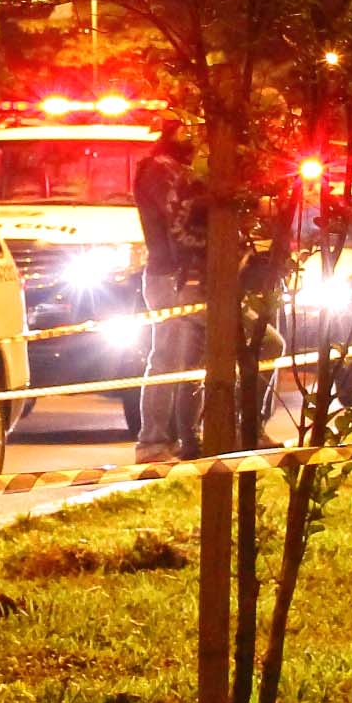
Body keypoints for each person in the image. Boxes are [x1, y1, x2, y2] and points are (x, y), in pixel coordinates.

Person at [132, 115, 207, 464]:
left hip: (181, 275)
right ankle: (153, 442)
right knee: (167, 358)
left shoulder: (174, 168)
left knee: (188, 358)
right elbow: (177, 223)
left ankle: (181, 439)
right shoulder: (161, 169)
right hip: (170, 276)